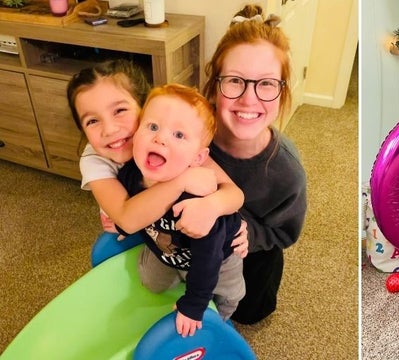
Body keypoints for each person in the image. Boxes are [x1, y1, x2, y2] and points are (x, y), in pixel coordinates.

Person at [201, 4, 308, 324]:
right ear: (215, 85)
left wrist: (253, 234)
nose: (249, 99)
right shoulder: (188, 132)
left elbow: (286, 233)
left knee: (249, 313)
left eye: (266, 83)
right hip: (196, 242)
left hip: (253, 257)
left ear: (282, 91)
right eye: (235, 80)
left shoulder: (287, 173)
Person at [67, 59, 248, 246]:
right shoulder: (94, 160)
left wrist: (215, 209)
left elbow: (234, 193)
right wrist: (182, 181)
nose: (110, 130)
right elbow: (127, 220)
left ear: (145, 108)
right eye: (92, 121)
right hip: (137, 230)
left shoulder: (169, 141)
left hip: (175, 231)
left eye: (119, 110)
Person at [116, 83, 245, 337]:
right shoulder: (130, 175)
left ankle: (220, 324)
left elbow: (208, 258)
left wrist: (194, 306)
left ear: (198, 158)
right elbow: (128, 209)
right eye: (152, 127)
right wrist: (122, 224)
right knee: (149, 281)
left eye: (179, 135)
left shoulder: (196, 197)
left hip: (219, 257)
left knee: (230, 294)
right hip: (167, 251)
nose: (160, 138)